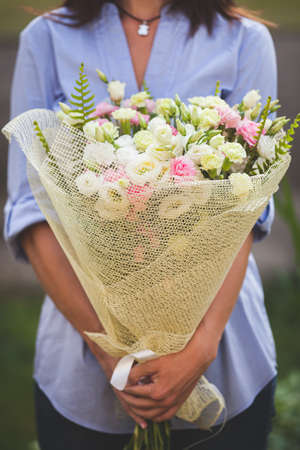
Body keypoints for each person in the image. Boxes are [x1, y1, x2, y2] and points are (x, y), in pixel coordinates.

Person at [4, 1, 278, 449]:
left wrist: (201, 348)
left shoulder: (246, 39)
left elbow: (247, 210)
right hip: (82, 362)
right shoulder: (45, 38)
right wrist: (111, 354)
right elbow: (31, 212)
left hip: (222, 353)